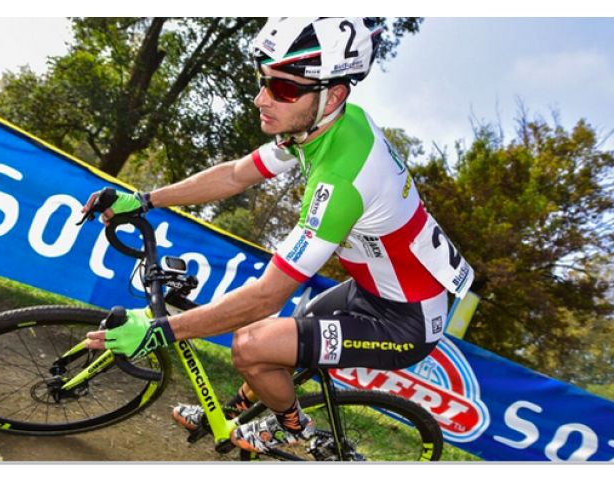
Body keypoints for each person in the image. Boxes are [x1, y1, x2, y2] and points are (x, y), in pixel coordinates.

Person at [84, 17, 475, 454]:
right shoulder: (322, 124)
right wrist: (145, 199)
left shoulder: (342, 178)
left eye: (283, 88)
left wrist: (159, 330)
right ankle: (236, 414)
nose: (261, 99)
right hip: (373, 290)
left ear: (333, 95)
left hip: (406, 322)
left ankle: (292, 427)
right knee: (276, 339)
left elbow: (266, 296)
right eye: (264, 81)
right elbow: (237, 175)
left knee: (251, 344)